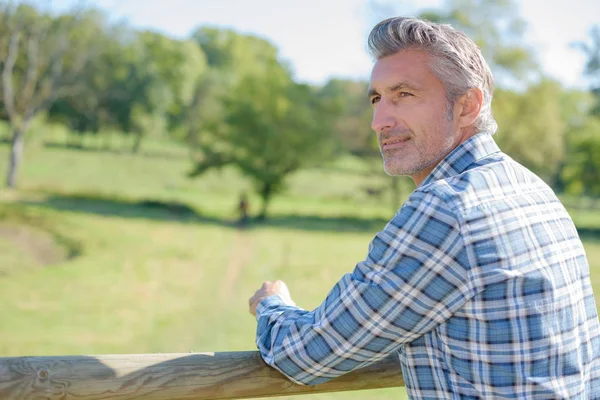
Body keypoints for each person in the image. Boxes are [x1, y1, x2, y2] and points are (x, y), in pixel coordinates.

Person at [248, 17, 600, 399]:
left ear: (467, 106)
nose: (379, 121)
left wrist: (271, 304)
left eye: (404, 94)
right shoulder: (533, 190)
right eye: (376, 98)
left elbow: (305, 355)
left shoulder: (448, 208)